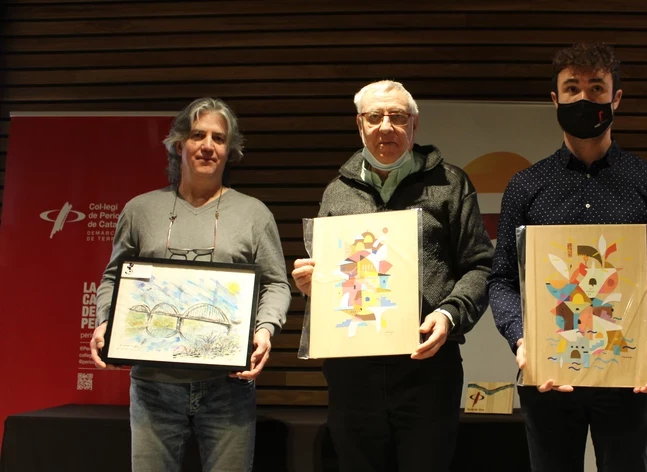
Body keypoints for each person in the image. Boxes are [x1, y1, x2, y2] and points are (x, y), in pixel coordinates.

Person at [488, 42, 647, 472]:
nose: (584, 99)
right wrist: (522, 339)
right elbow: (502, 280)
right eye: (572, 88)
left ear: (615, 98)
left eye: (596, 87)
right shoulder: (526, 186)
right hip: (549, 375)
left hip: (626, 373)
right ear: (555, 99)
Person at [291, 80, 493, 472]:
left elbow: (481, 265)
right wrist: (312, 286)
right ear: (360, 124)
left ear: (414, 125)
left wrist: (450, 313)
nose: (386, 126)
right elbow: (332, 277)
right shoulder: (337, 192)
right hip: (352, 371)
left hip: (427, 366)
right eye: (375, 117)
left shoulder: (451, 184)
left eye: (397, 116)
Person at [89, 97, 292, 471]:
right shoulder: (140, 210)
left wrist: (265, 329)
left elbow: (277, 284)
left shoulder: (254, 214)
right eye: (198, 135)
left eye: (219, 138)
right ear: (179, 143)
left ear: (230, 150)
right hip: (153, 386)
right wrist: (106, 321)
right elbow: (114, 278)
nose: (208, 146)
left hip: (228, 386)